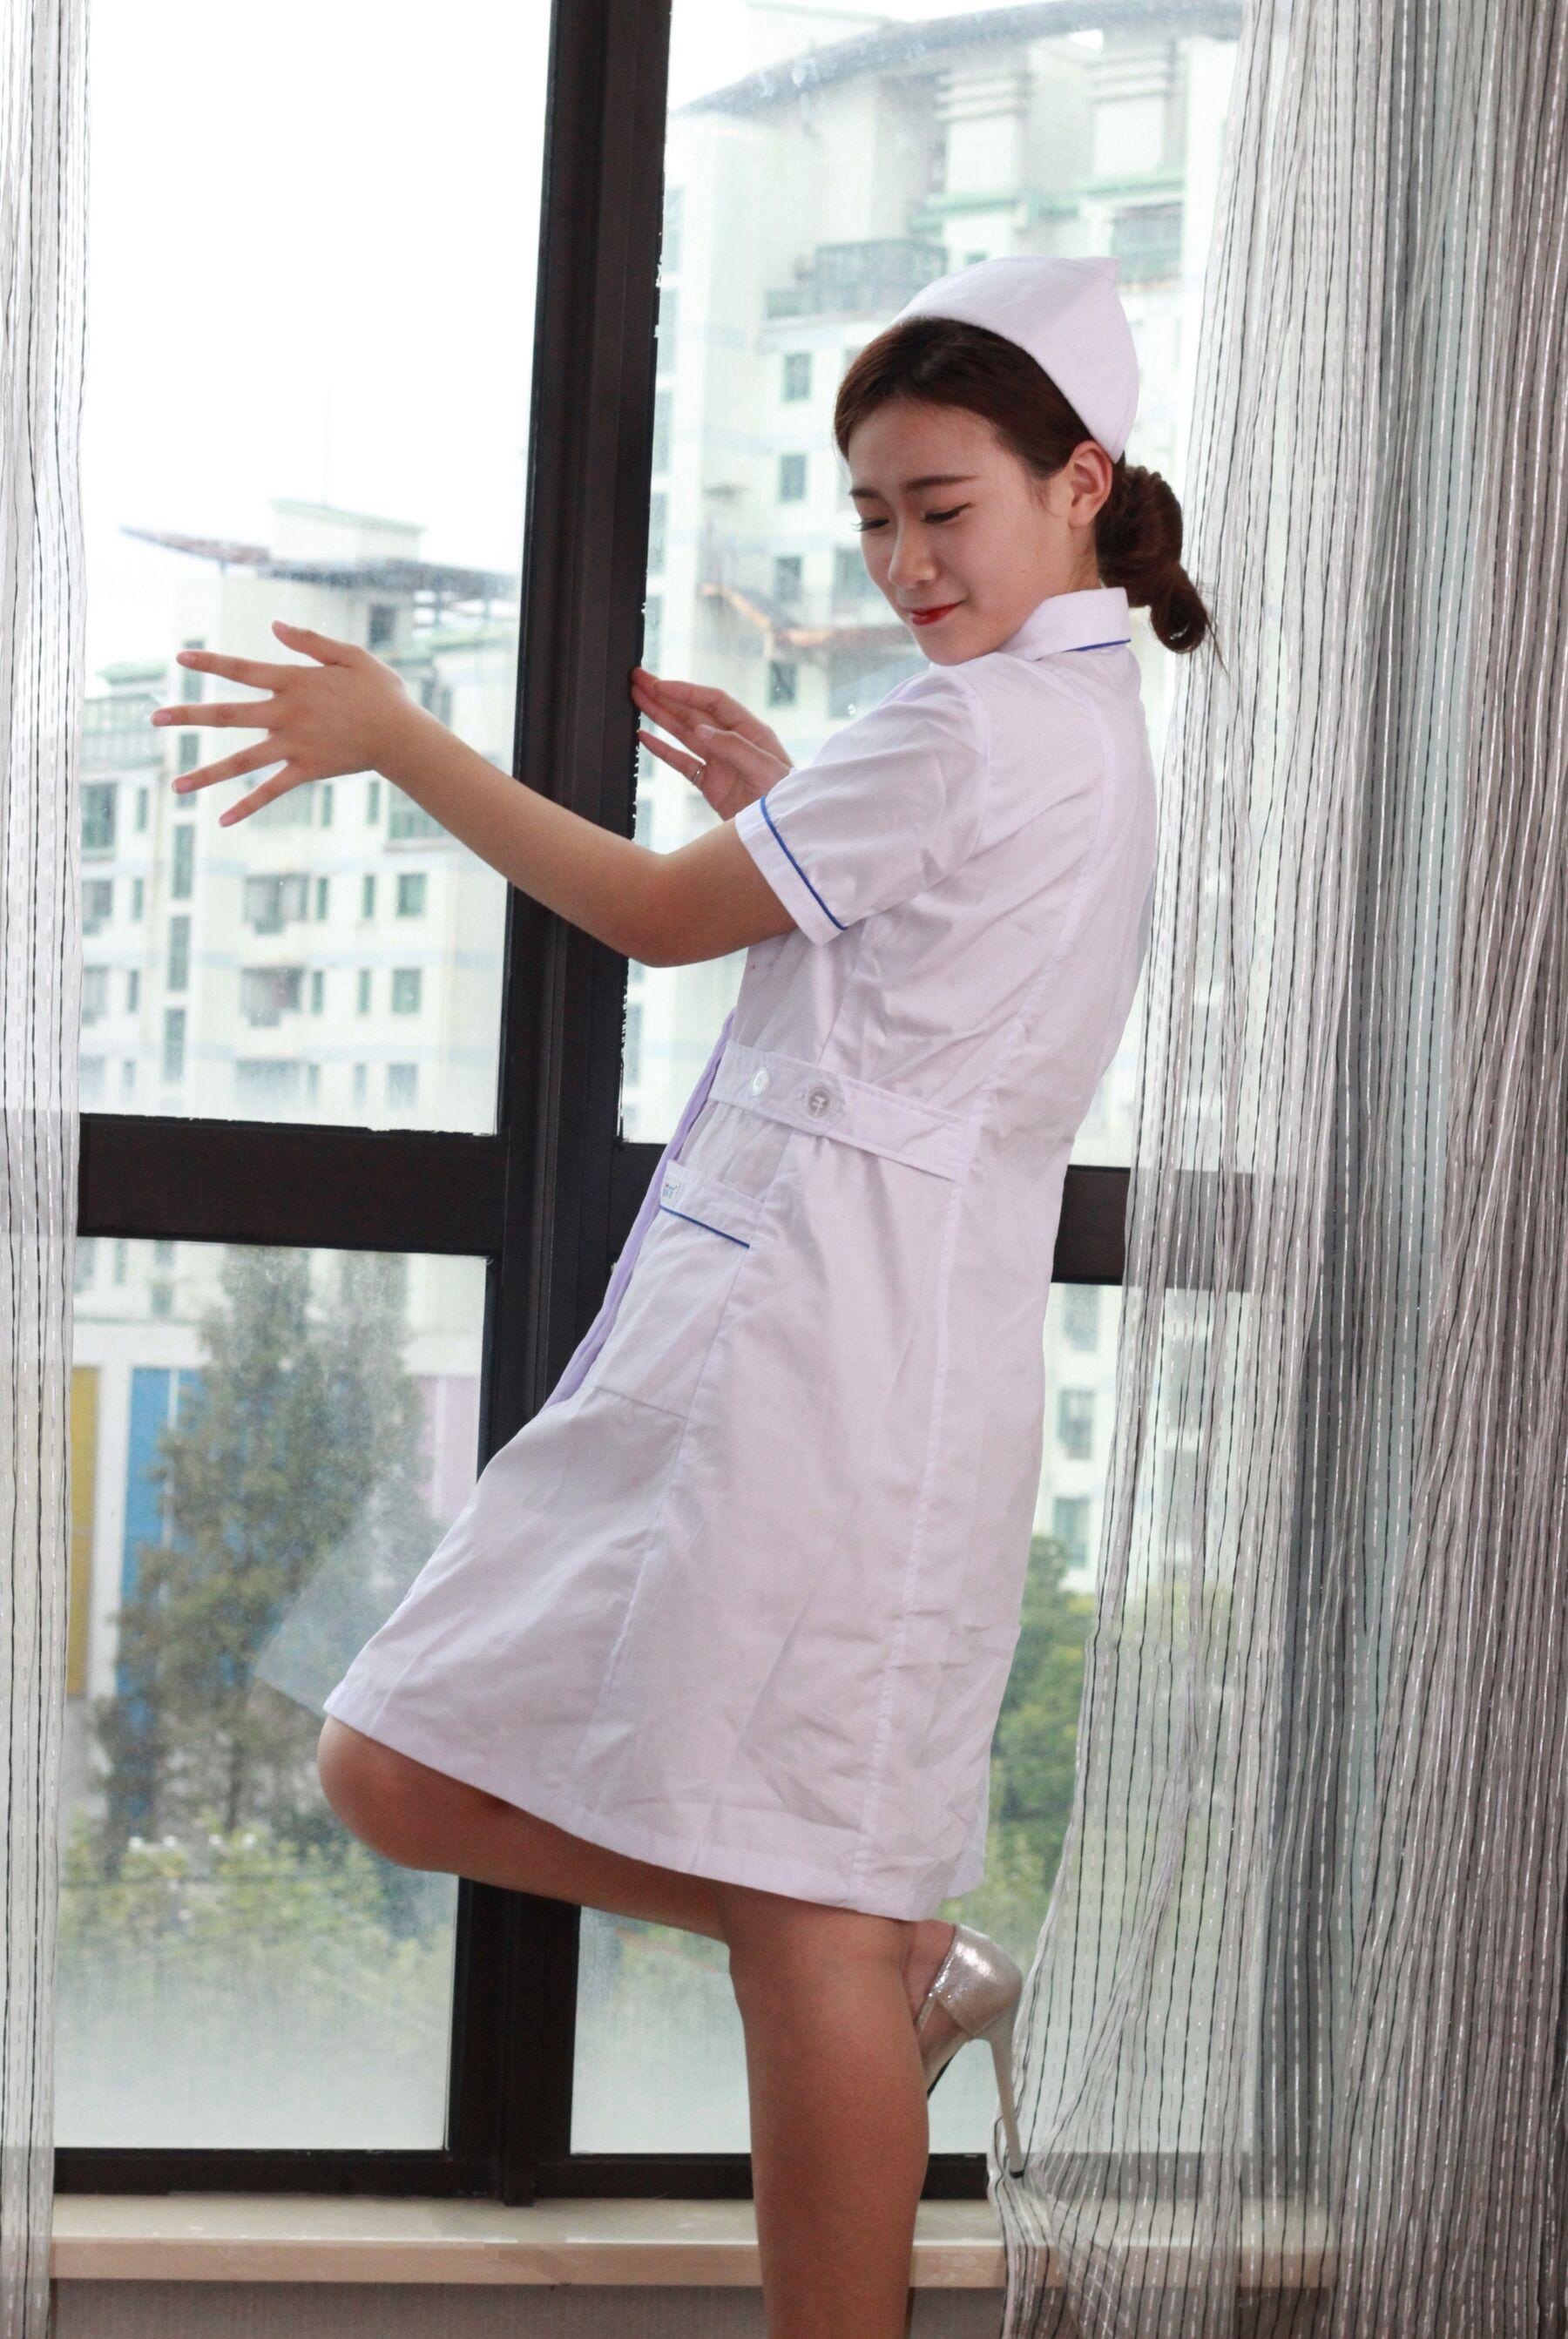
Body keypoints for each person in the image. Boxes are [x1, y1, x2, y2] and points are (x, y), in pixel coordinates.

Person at [150, 254, 1214, 2339]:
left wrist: (396, 737)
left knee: (802, 1916)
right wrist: (790, 816)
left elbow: (646, 918)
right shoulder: (1054, 726)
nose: (906, 561)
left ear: (1080, 481)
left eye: (944, 508)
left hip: (837, 1378)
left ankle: (876, 1965)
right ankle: (897, 1956)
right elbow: (925, 976)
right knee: (400, 1762)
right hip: (823, 1355)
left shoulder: (976, 730)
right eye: (875, 518)